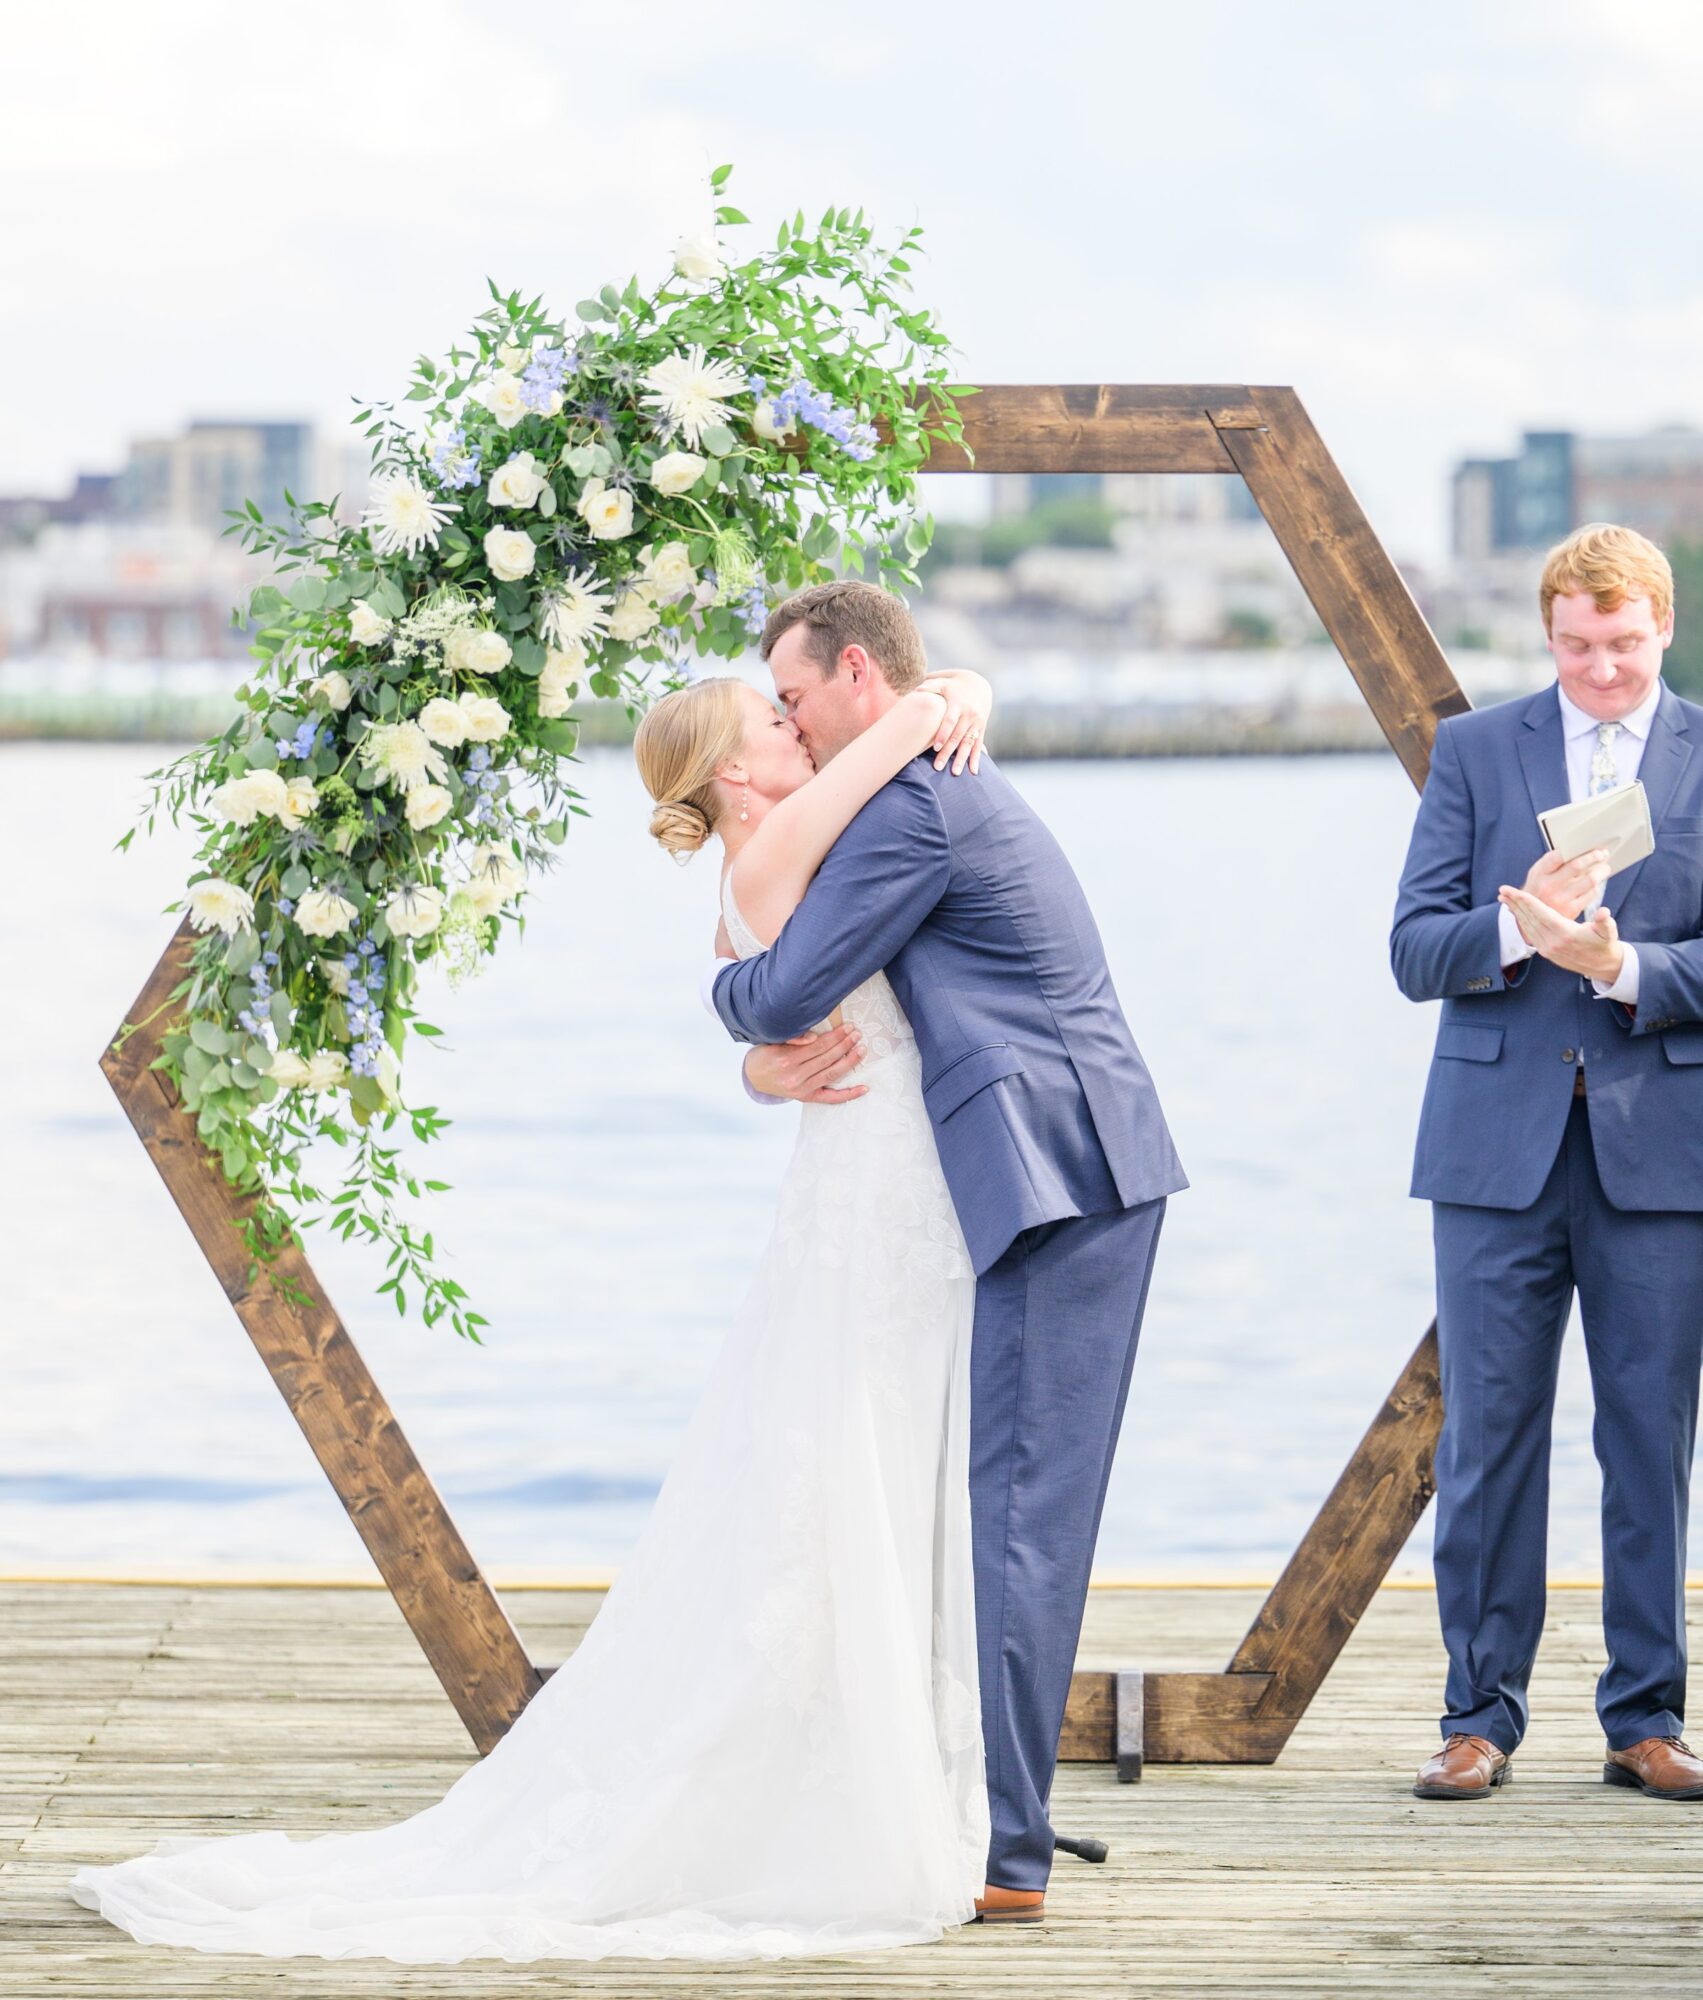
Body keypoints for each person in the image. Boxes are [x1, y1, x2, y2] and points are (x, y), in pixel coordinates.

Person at [69, 658, 1003, 1963]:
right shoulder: (776, 844)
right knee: (847, 1446)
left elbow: (783, 955)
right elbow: (882, 753)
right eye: (774, 721)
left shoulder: (756, 871)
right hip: (877, 1177)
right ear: (736, 774)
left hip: (868, 1178)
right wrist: (940, 695)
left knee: (846, 1450)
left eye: (795, 712)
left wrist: (747, 1062)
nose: (798, 729)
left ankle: (877, 1732)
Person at [711, 579, 1186, 1917]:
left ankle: (1008, 1858)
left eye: (795, 698)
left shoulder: (909, 804)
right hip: (1044, 1167)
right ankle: (973, 1805)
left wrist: (726, 1005)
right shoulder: (908, 776)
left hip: (1060, 1176)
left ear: (856, 674)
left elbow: (791, 987)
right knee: (998, 1508)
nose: (792, 728)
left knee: (1021, 1515)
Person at [1392, 523, 1703, 1802]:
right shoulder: (1472, 751)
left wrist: (1620, 967)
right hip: (1490, 1155)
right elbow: (1413, 949)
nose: (1599, 670)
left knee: (1647, 1447)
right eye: (1575, 645)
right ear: (1545, 633)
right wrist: (1514, 927)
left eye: (1621, 644)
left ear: (1662, 629)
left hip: (1659, 1157)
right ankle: (1478, 1717)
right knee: (1485, 1446)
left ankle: (1645, 1719)